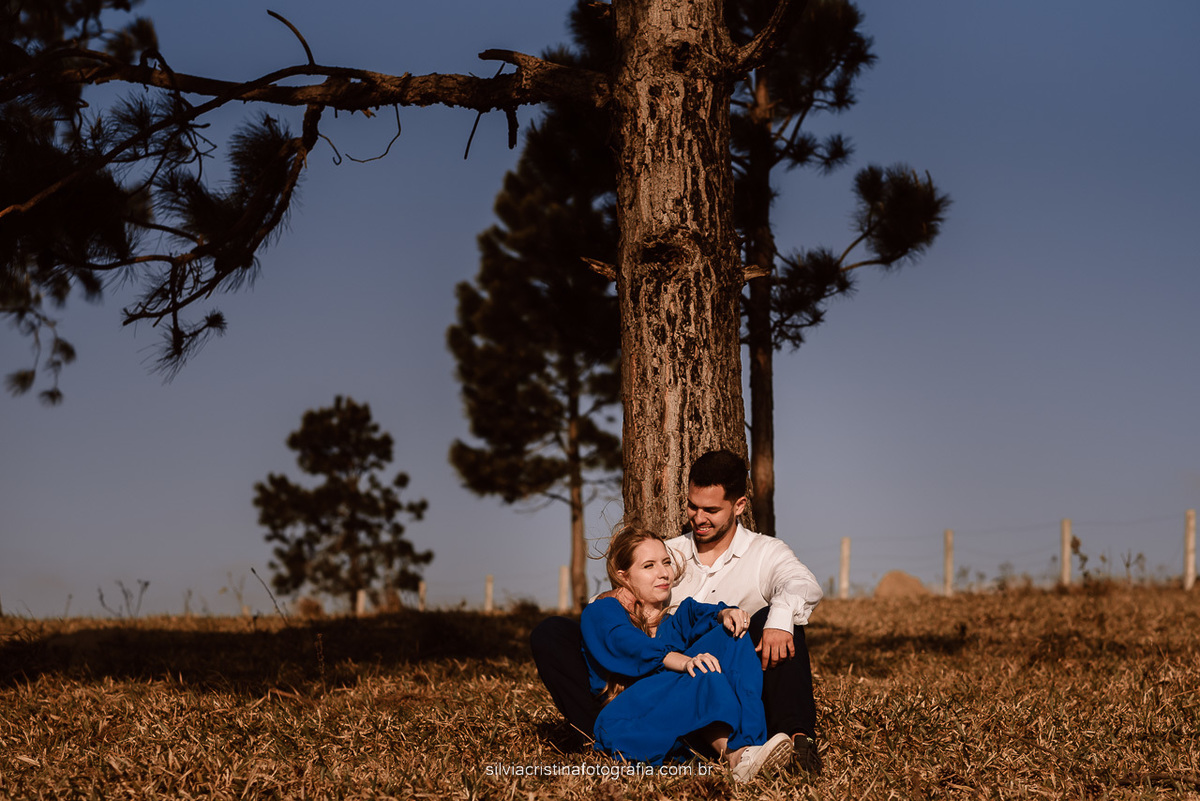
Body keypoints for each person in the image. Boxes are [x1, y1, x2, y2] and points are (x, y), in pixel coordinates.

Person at [531, 449, 824, 772]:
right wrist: (613, 599)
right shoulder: (669, 551)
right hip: (653, 676)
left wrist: (770, 619)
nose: (698, 518)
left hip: (725, 677)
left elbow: (801, 584)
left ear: (739, 505)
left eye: (711, 510)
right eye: (692, 506)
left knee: (777, 623)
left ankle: (794, 742)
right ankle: (608, 735)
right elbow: (613, 615)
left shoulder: (764, 552)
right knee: (554, 633)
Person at [581, 524, 794, 781]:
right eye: (648, 566)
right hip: (627, 721)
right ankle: (736, 757)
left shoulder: (675, 620)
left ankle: (750, 744)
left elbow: (697, 613)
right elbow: (625, 643)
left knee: (733, 635)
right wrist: (683, 661)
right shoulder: (604, 611)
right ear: (623, 576)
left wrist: (725, 613)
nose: (663, 573)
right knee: (702, 671)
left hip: (678, 721)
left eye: (666, 562)